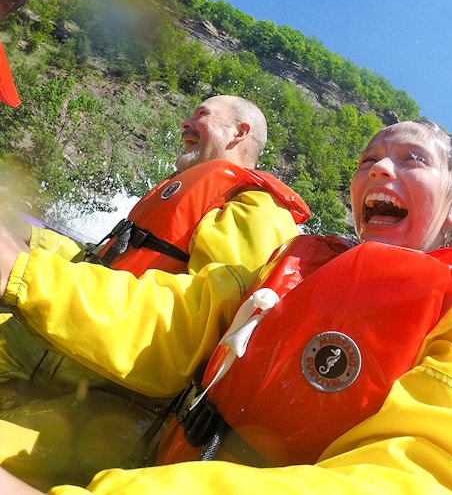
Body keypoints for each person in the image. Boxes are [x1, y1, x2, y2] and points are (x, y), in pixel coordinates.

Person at [1, 118, 452, 495]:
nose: (379, 168)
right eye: (368, 160)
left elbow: (412, 476)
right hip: (149, 462)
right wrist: (24, 272)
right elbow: (171, 320)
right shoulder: (293, 268)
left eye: (413, 159)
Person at [0, 94, 309, 489]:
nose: (185, 122)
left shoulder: (257, 212)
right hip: (45, 352)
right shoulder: (188, 192)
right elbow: (101, 266)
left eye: (202, 114)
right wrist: (32, 239)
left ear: (239, 132)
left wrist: (24, 270)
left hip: (103, 408)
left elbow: (190, 334)